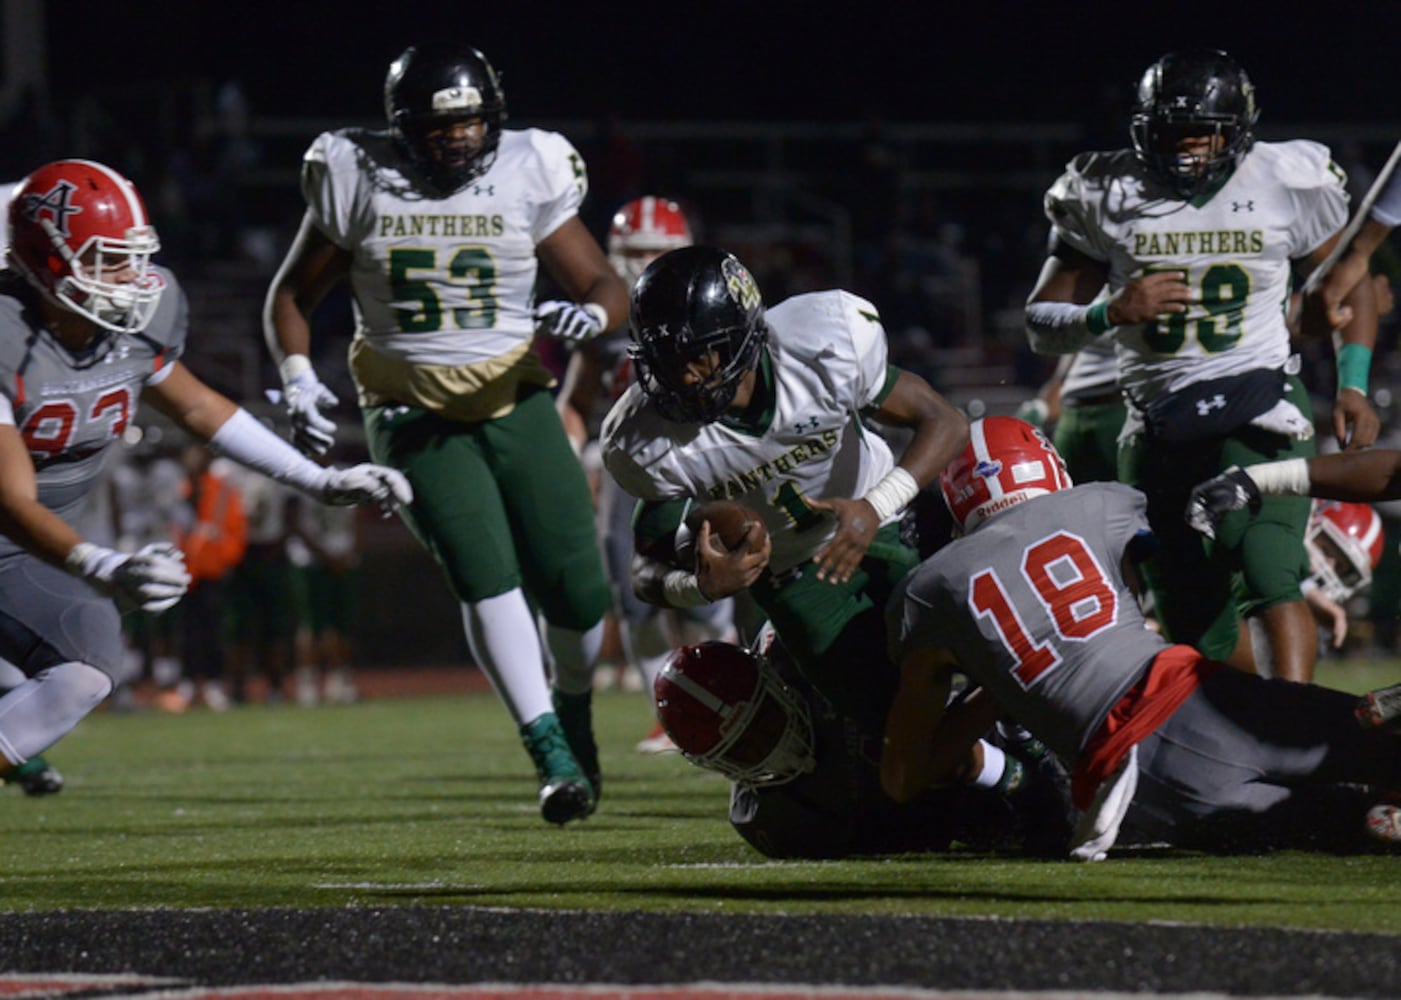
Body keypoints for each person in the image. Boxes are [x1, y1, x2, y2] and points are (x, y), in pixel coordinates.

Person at [261, 42, 628, 825]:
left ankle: (574, 710)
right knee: (484, 572)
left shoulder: (532, 166)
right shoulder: (353, 174)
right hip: (408, 408)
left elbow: (604, 282)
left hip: (513, 393)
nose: (456, 141)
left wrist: (592, 315)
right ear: (400, 129)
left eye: (468, 125)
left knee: (578, 591)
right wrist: (297, 372)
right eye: (438, 128)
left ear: (492, 120)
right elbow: (291, 295)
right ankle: (547, 752)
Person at [0, 157, 411, 789]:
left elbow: (196, 405)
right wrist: (100, 563)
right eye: (107, 260)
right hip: (19, 528)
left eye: (132, 255)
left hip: (30, 545)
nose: (131, 277)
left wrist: (316, 479)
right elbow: (9, 499)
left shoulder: (139, 317)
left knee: (86, 666)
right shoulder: (5, 334)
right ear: (47, 261)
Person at [882, 416, 1401, 859]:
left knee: (1345, 824)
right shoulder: (1102, 504)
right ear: (1046, 465)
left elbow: (904, 778)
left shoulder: (928, 592)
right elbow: (1139, 600)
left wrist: (1001, 682)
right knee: (1380, 750)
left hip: (1135, 794)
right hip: (1198, 705)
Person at [1024, 48, 1380, 683]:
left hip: (1262, 396)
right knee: (1195, 620)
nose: (1187, 152)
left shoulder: (1285, 179)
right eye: (1172, 134)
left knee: (1271, 569)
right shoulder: (1106, 189)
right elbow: (1040, 327)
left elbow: (1352, 281)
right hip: (1156, 422)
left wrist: (1353, 385)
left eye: (1203, 135)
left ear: (1237, 133)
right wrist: (1108, 313)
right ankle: (1231, 746)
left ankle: (1293, 738)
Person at [600, 245, 969, 745]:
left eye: (698, 356)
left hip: (894, 517)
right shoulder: (643, 438)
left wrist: (873, 506)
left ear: (743, 337)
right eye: (666, 363)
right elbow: (645, 571)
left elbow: (945, 421)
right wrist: (702, 587)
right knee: (894, 731)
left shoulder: (822, 341)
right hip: (799, 577)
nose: (683, 378)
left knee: (988, 654)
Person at [559, 196, 738, 754]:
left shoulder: (711, 305)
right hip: (628, 468)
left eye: (655, 253)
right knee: (632, 594)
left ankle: (737, 697)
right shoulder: (605, 321)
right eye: (631, 253)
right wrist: (567, 455)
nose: (641, 263)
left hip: (702, 454)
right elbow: (574, 402)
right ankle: (671, 714)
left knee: (713, 590)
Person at [653, 629, 1074, 859]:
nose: (771, 746)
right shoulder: (771, 822)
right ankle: (1023, 782)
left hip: (962, 708)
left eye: (764, 721)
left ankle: (1031, 768)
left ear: (772, 681)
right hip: (951, 809)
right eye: (744, 748)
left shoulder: (804, 649)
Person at [168, 442, 247, 712]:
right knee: (187, 632)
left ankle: (214, 683)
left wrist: (226, 560)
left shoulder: (222, 488)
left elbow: (235, 527)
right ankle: (188, 683)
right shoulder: (181, 489)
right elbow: (175, 528)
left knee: (214, 631)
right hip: (185, 572)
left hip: (212, 570)